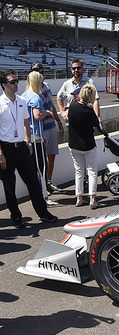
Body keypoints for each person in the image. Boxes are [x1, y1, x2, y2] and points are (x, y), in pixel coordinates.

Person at [0, 70, 58, 228]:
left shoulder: (21, 101)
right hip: (6, 149)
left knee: (33, 181)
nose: (16, 83)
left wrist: (28, 142)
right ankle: (16, 217)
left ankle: (43, 213)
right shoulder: (0, 103)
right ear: (4, 85)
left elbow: (27, 122)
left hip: (22, 148)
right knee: (9, 186)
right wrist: (1, 155)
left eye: (16, 81)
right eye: (12, 82)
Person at [30, 63, 64, 194]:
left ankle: (48, 182)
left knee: (51, 156)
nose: (42, 75)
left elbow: (52, 105)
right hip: (41, 130)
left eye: (43, 72)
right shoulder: (32, 92)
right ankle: (42, 186)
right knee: (41, 160)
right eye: (40, 72)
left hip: (51, 126)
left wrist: (58, 121)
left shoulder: (46, 86)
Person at [68, 84, 101, 209]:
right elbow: (96, 123)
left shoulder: (73, 106)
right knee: (92, 171)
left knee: (79, 171)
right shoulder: (89, 111)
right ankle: (92, 199)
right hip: (88, 145)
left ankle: (79, 198)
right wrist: (90, 107)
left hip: (74, 144)